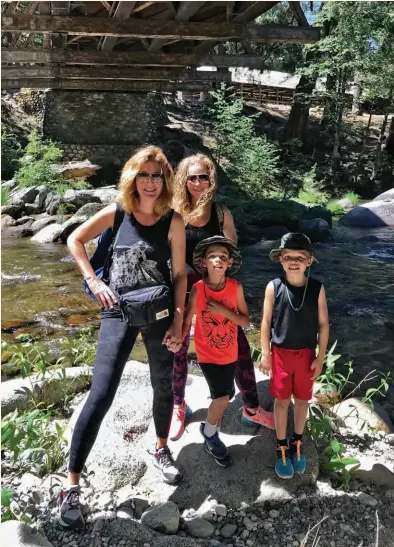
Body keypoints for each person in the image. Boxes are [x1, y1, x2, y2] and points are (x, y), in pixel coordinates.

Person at [58, 146, 187, 529]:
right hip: (118, 310)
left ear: (165, 181)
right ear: (133, 178)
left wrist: (180, 324)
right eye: (144, 175)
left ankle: (161, 448)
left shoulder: (173, 221)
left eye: (157, 176)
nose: (150, 182)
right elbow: (74, 240)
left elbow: (180, 276)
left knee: (163, 386)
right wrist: (94, 280)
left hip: (160, 312)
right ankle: (71, 484)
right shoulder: (117, 213)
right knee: (101, 393)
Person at [170, 153, 275, 441]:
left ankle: (251, 407)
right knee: (178, 349)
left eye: (203, 176)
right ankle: (178, 406)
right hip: (183, 289)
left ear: (211, 179)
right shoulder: (173, 212)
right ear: (183, 180)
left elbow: (232, 257)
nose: (197, 182)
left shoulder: (221, 214)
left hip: (216, 290)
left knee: (239, 348)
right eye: (192, 177)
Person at [260, 233, 329, 479]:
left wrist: (320, 358)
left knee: (301, 400)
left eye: (300, 257)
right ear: (280, 259)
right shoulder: (273, 287)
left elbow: (323, 325)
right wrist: (265, 354)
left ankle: (297, 441)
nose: (293, 262)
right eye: (288, 257)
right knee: (280, 401)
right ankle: (281, 445)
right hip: (280, 354)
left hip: (306, 355)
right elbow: (266, 322)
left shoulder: (317, 289)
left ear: (309, 261)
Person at [182, 235, 248, 466]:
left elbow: (244, 321)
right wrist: (177, 339)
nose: (218, 260)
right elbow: (188, 317)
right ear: (203, 263)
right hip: (207, 353)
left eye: (223, 257)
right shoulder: (198, 289)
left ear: (230, 262)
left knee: (227, 395)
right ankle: (209, 433)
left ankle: (212, 426)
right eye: (212, 256)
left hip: (229, 351)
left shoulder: (235, 287)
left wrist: (221, 309)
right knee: (221, 397)